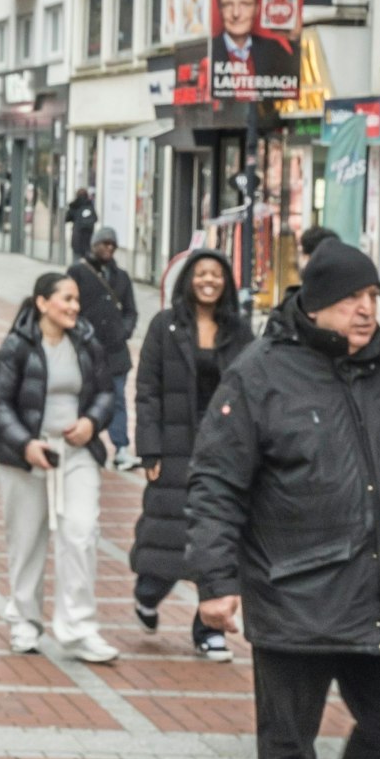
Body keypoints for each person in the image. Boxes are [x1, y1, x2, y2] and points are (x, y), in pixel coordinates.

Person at [187, 241, 380, 759]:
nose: (365, 309)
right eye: (349, 298)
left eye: (371, 295)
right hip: (294, 593)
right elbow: (216, 483)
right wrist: (215, 580)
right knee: (289, 749)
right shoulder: (260, 373)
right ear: (314, 304)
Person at [0, 271, 120, 664]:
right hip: (26, 455)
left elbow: (106, 392)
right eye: (66, 299)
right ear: (43, 302)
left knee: (81, 531)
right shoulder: (17, 346)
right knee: (27, 541)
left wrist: (92, 422)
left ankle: (78, 629)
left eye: (77, 300)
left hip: (76, 452)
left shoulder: (87, 342)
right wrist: (26, 444)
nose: (75, 307)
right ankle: (25, 622)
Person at [131, 249, 253, 662]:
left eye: (216, 275)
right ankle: (148, 593)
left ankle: (209, 630)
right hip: (174, 443)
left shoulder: (239, 331)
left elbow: (254, 390)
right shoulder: (164, 326)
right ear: (188, 279)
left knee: (218, 532)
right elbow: (147, 389)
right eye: (201, 273)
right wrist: (148, 447)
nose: (208, 281)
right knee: (165, 531)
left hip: (223, 447)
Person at [69, 226, 140, 471]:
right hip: (87, 351)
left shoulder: (121, 277)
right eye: (104, 244)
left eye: (113, 245)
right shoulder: (78, 272)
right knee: (86, 398)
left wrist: (125, 331)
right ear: (94, 245)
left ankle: (121, 448)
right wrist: (80, 333)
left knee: (118, 399)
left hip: (116, 351)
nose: (109, 248)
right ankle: (88, 443)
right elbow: (69, 306)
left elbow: (131, 310)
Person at [208, 0, 299, 101]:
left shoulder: (272, 50)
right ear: (220, 9)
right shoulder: (208, 52)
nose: (236, 13)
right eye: (228, 4)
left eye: (245, 4)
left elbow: (294, 78)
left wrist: (294, 37)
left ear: (257, 9)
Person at [65, 187, 97, 261]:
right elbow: (95, 218)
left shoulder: (75, 205)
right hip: (88, 238)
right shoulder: (89, 205)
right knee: (87, 259)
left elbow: (67, 218)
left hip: (77, 237)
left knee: (76, 258)